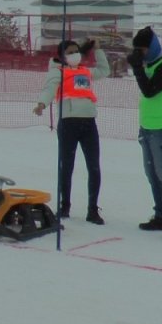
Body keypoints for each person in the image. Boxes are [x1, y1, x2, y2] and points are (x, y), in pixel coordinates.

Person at [33, 39, 110, 224]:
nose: (75, 54)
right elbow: (49, 89)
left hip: (89, 123)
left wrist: (98, 51)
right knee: (66, 167)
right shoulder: (58, 72)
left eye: (76, 51)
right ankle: (64, 205)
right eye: (70, 52)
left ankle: (93, 209)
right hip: (68, 124)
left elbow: (104, 71)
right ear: (62, 56)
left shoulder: (86, 71)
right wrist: (42, 103)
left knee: (94, 167)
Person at [126, 26, 162, 243]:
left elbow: (150, 91)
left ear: (151, 47)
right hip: (147, 128)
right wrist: (139, 66)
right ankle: (161, 215)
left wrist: (137, 68)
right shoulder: (149, 65)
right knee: (152, 175)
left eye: (142, 49)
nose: (140, 54)